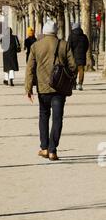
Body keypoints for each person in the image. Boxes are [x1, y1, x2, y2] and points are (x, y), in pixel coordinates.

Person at [25, 20, 76, 161]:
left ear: (44, 31)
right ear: (56, 31)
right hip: (59, 89)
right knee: (58, 118)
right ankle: (53, 150)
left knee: (43, 116)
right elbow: (73, 66)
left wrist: (28, 88)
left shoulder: (36, 46)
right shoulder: (64, 45)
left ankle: (44, 148)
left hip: (43, 88)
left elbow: (30, 68)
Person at [68, 23, 89, 91]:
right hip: (82, 55)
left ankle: (73, 84)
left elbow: (69, 46)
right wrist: (83, 52)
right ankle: (80, 84)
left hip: (73, 56)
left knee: (73, 70)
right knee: (81, 70)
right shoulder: (84, 36)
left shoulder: (71, 36)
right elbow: (87, 46)